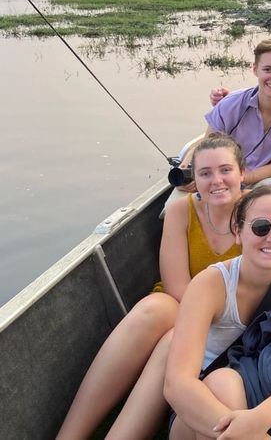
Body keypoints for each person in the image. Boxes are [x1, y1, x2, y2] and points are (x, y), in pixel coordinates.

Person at [58, 134, 245, 439]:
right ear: (194, 180)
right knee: (154, 308)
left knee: (175, 339)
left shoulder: (258, 216)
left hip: (232, 316)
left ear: (242, 174)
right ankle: (71, 434)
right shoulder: (181, 210)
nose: (217, 181)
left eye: (226, 170)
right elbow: (175, 286)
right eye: (205, 173)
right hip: (180, 304)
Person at [164, 184, 271, 440]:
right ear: (238, 231)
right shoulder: (209, 284)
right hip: (206, 411)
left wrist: (259, 420)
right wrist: (249, 435)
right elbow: (177, 384)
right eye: (261, 227)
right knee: (224, 383)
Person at [174, 37, 271, 205]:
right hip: (219, 174)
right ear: (255, 70)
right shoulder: (231, 103)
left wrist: (237, 179)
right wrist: (192, 172)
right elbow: (207, 143)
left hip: (264, 176)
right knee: (173, 207)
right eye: (268, 69)